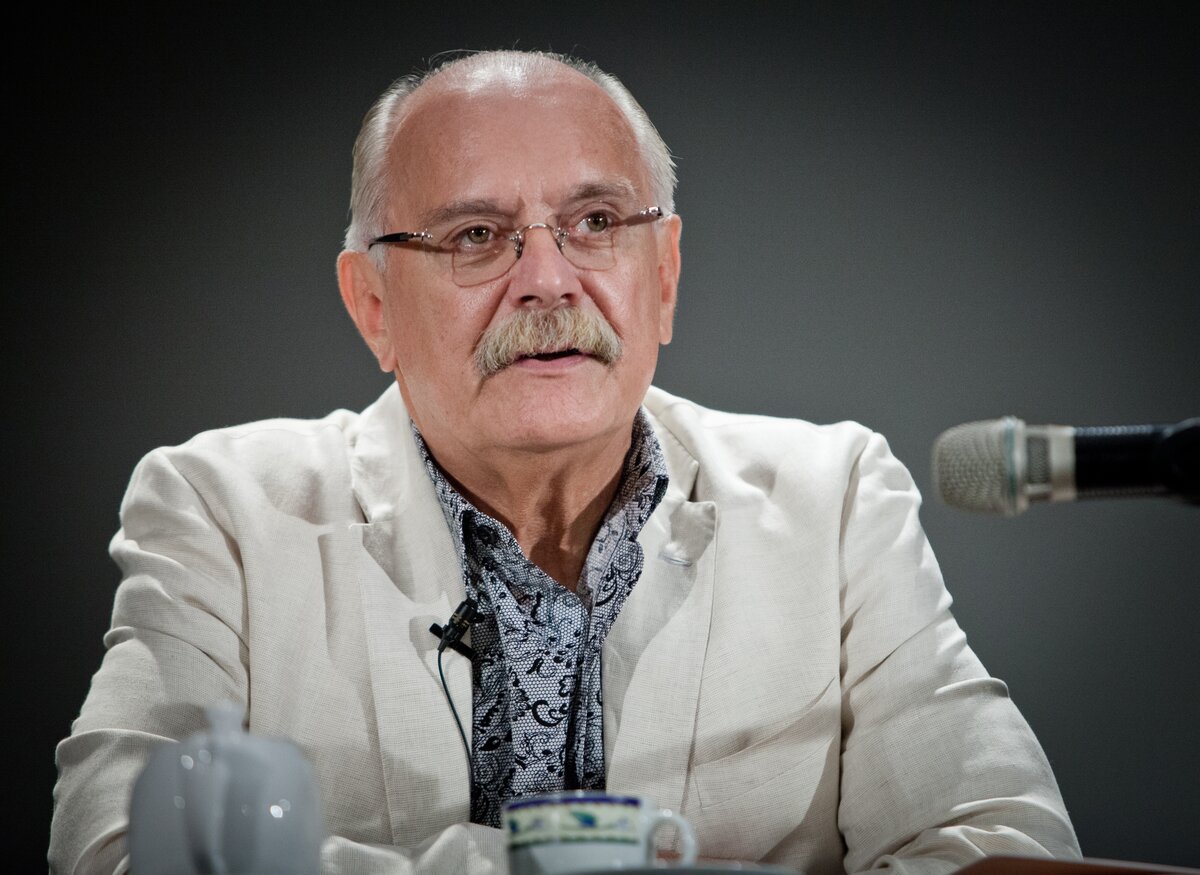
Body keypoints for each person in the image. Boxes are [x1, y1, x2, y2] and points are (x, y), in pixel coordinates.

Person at [50, 49, 1080, 874]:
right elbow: (119, 848)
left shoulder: (834, 499)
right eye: (475, 234)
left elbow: (1005, 844)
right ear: (372, 305)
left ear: (663, 276)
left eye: (596, 223)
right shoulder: (225, 512)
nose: (547, 279)